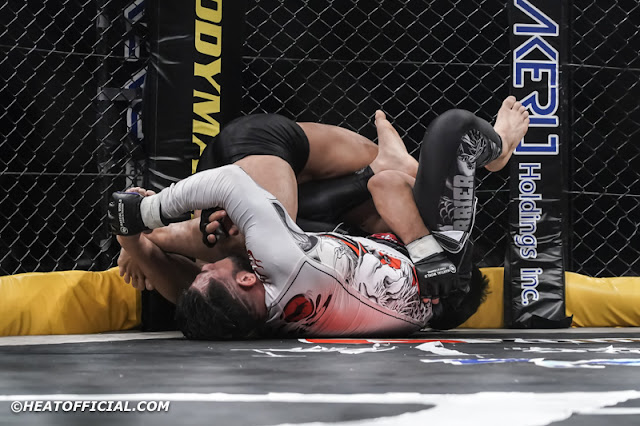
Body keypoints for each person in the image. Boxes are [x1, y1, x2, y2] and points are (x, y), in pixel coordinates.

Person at [109, 97, 529, 338]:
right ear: (247, 279)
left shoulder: (258, 319)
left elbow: (193, 289)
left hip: (355, 248)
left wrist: (134, 241)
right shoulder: (280, 261)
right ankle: (498, 148)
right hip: (444, 272)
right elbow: (230, 183)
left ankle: (390, 164)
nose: (204, 266)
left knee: (230, 238)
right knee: (452, 131)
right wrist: (145, 215)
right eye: (210, 269)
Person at [117, 114, 417, 292]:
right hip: (264, 148)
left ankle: (140, 233)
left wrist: (136, 247)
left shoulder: (361, 238)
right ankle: (143, 226)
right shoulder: (407, 223)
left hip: (249, 178)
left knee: (216, 280)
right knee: (258, 244)